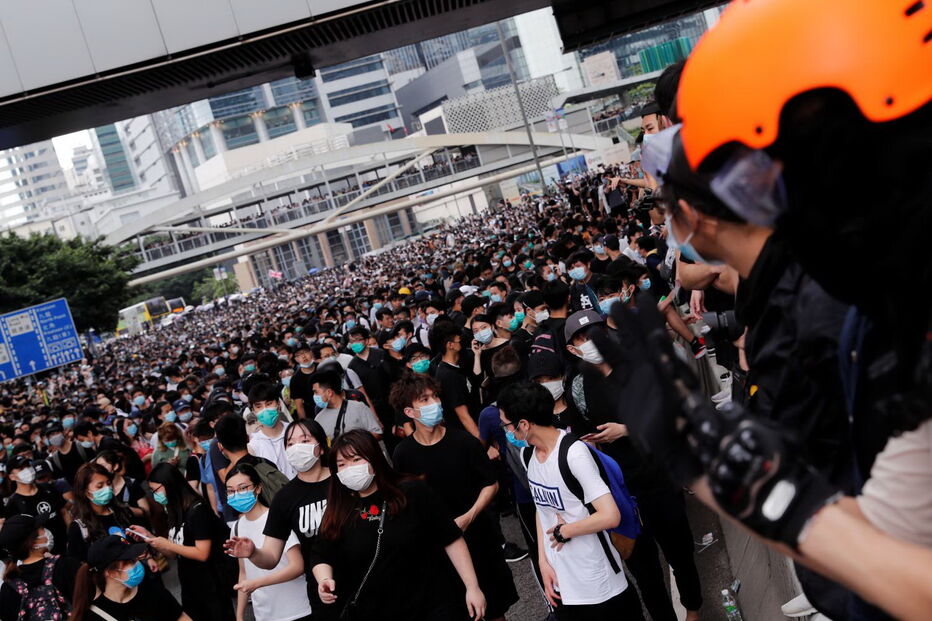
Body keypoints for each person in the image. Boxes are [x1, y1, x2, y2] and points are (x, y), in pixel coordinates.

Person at [498, 381, 643, 621]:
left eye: (506, 425)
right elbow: (541, 510)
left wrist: (567, 530)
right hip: (562, 583)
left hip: (599, 581)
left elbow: (609, 515)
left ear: (523, 424)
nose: (507, 432)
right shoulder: (528, 456)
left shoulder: (573, 453)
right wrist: (543, 563)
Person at [309, 430, 486, 620]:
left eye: (356, 460)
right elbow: (321, 553)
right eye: (341, 465)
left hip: (434, 604)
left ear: (374, 459)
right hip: (377, 611)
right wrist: (324, 579)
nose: (349, 469)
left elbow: (451, 538)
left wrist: (472, 587)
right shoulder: (339, 510)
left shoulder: (412, 492)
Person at [390, 374, 519, 621]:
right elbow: (405, 502)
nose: (434, 403)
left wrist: (469, 516)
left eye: (435, 396)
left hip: (479, 538)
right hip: (437, 552)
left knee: (493, 611)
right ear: (409, 411)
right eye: (424, 399)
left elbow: (491, 484)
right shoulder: (403, 454)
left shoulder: (463, 441)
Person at [225, 420, 333, 619]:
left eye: (305, 439)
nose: (297, 447)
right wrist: (253, 553)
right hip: (322, 592)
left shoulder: (342, 482)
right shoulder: (284, 498)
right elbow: (271, 558)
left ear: (321, 447)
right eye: (290, 443)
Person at [131, 464, 234, 621]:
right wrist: (150, 537)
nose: (154, 495)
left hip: (211, 584)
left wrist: (166, 544)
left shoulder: (198, 510)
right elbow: (175, 553)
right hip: (190, 584)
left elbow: (202, 553)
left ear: (169, 484)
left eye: (156, 490)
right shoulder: (174, 510)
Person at [225, 463, 311, 621]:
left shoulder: (276, 517)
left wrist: (257, 583)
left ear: (258, 488)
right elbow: (244, 574)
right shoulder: (237, 527)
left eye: (243, 488)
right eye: (230, 491)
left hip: (297, 610)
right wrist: (239, 615)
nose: (236, 494)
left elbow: (297, 566)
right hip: (264, 614)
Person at [70, 535, 188, 621]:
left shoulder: (152, 591)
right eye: (129, 561)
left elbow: (181, 618)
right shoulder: (93, 616)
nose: (137, 563)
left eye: (135, 558)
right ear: (111, 573)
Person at [0, 514, 80, 621]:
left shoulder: (8, 587)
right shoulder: (66, 565)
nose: (46, 531)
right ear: (33, 542)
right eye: (41, 529)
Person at [67, 463, 134, 562]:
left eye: (108, 483)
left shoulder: (122, 511)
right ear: (85, 492)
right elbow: (79, 563)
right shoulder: (79, 528)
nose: (107, 489)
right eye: (99, 486)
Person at [3, 455, 69, 555]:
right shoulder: (13, 504)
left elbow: (64, 512)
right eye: (21, 469)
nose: (27, 470)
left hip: (65, 545)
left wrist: (71, 536)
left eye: (28, 466)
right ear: (12, 477)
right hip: (42, 553)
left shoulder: (48, 488)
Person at [310, 370, 382, 443]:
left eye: (316, 392)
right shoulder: (318, 420)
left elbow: (377, 433)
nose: (314, 396)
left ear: (329, 392)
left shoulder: (359, 407)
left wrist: (355, 444)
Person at [246, 383, 295, 479]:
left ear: (278, 404)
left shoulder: (294, 432)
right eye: (259, 406)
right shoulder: (253, 447)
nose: (265, 410)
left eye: (269, 404)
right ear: (253, 411)